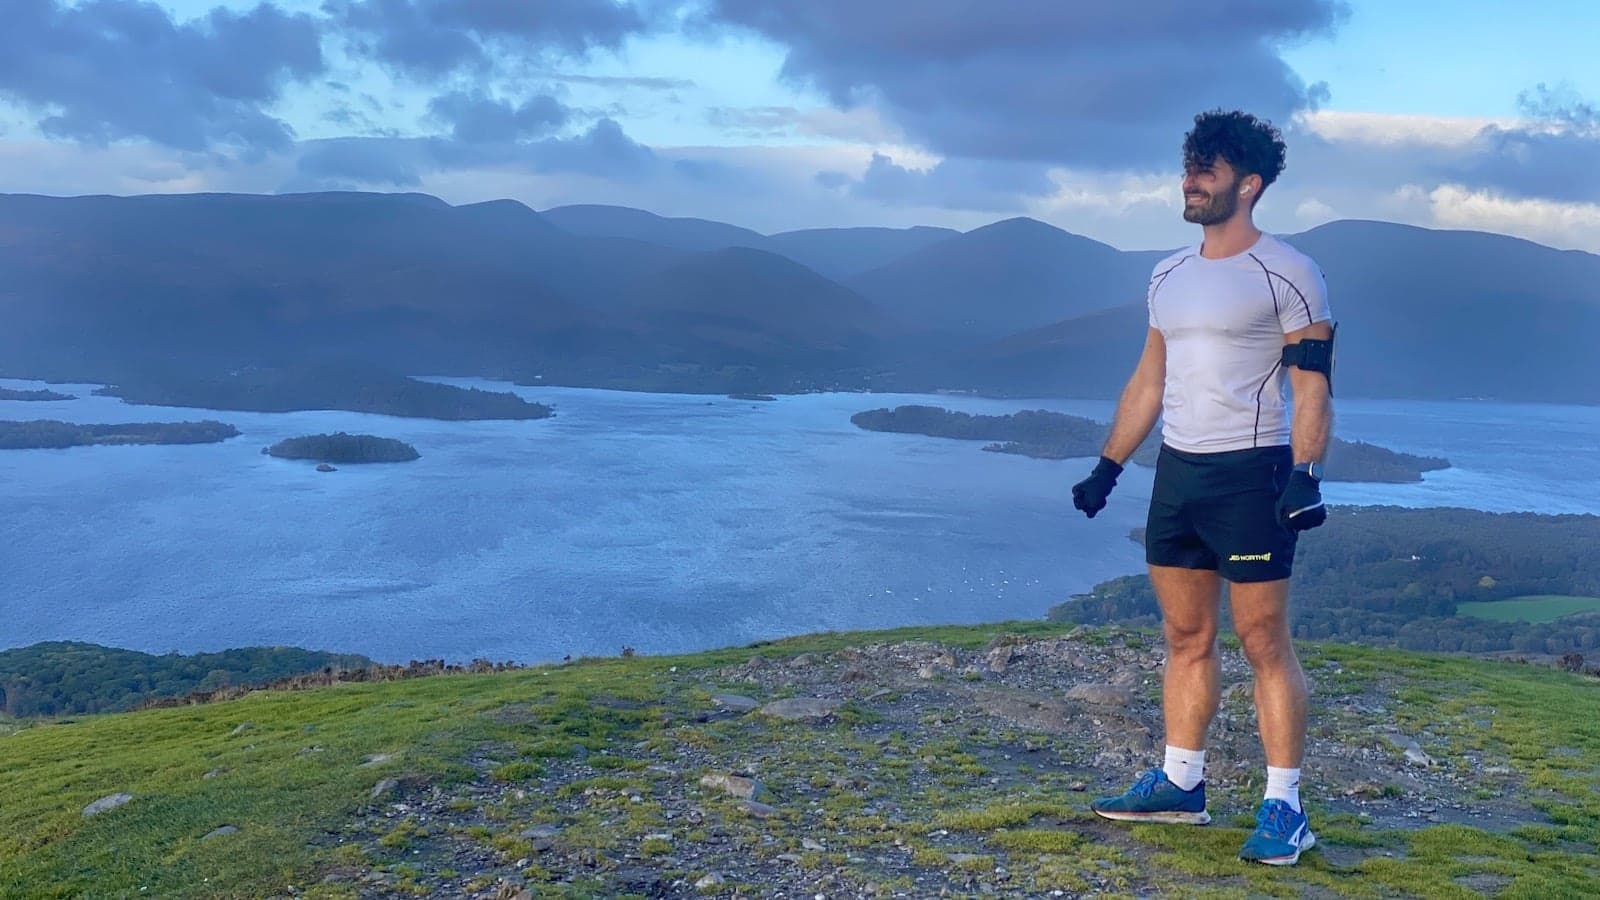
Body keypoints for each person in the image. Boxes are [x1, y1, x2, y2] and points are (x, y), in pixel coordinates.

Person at [1070, 109, 1334, 866]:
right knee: (1185, 637)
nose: (1190, 179)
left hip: (1253, 477)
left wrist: (1306, 474)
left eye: (1207, 169)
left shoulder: (1290, 271)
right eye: (1189, 165)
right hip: (1179, 475)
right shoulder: (1168, 275)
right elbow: (1150, 381)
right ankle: (1182, 783)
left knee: (1262, 642)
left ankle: (1285, 806)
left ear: (1248, 185)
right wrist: (1109, 466)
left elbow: (1311, 385)